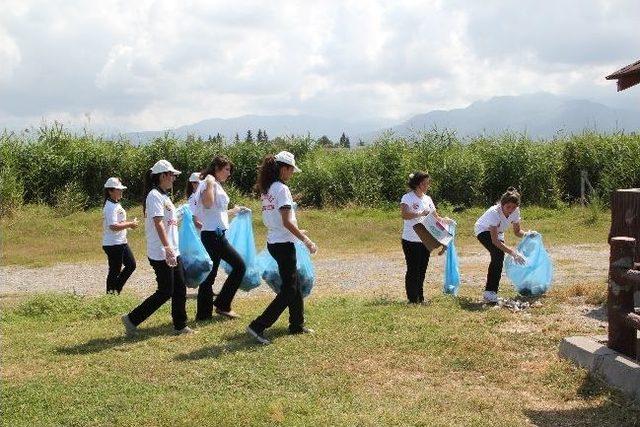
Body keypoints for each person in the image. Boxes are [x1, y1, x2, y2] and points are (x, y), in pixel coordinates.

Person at [247, 151, 317, 345]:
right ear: (284, 168)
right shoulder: (281, 189)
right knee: (289, 289)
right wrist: (306, 240)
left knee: (293, 284)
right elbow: (286, 221)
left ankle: (296, 324)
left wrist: (295, 231)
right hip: (284, 244)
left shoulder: (267, 189)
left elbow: (277, 220)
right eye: (291, 170)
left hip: (275, 241)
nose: (292, 174)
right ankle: (258, 325)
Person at [122, 160, 196, 335]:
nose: (174, 179)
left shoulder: (164, 196)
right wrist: (167, 247)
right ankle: (132, 319)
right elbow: (158, 223)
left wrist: (181, 216)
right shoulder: (154, 195)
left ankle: (180, 325)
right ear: (162, 176)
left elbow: (168, 221)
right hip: (161, 252)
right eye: (171, 175)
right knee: (165, 291)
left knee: (180, 288)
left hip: (172, 250)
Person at [195, 156, 247, 321]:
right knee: (239, 266)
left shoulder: (215, 184)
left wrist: (236, 210)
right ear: (216, 167)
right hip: (212, 235)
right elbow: (208, 204)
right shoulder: (207, 183)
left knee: (209, 276)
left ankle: (204, 315)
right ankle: (223, 305)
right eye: (226, 169)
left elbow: (217, 212)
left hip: (216, 233)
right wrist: (209, 182)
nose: (229, 173)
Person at [474, 187, 535, 303]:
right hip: (483, 230)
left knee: (499, 255)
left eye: (514, 207)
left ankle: (492, 293)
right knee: (498, 253)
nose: (511, 210)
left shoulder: (516, 211)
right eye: (508, 207)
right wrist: (513, 253)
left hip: (499, 232)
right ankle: (489, 293)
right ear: (502, 204)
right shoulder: (494, 213)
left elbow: (517, 232)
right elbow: (495, 241)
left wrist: (528, 234)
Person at [400, 171, 448, 304]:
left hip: (425, 240)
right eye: (426, 183)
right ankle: (412, 299)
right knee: (413, 269)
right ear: (419, 184)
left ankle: (420, 298)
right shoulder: (407, 198)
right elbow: (404, 214)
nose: (428, 185)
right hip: (411, 239)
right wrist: (420, 213)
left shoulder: (427, 199)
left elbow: (435, 217)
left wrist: (446, 221)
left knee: (422, 269)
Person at [102, 177, 138, 294]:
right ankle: (111, 294)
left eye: (121, 189)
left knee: (131, 265)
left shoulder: (116, 204)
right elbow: (113, 226)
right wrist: (130, 224)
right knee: (114, 270)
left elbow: (118, 223)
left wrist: (128, 224)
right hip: (113, 243)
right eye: (118, 189)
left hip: (120, 241)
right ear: (110, 191)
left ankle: (115, 289)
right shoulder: (110, 206)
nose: (121, 191)